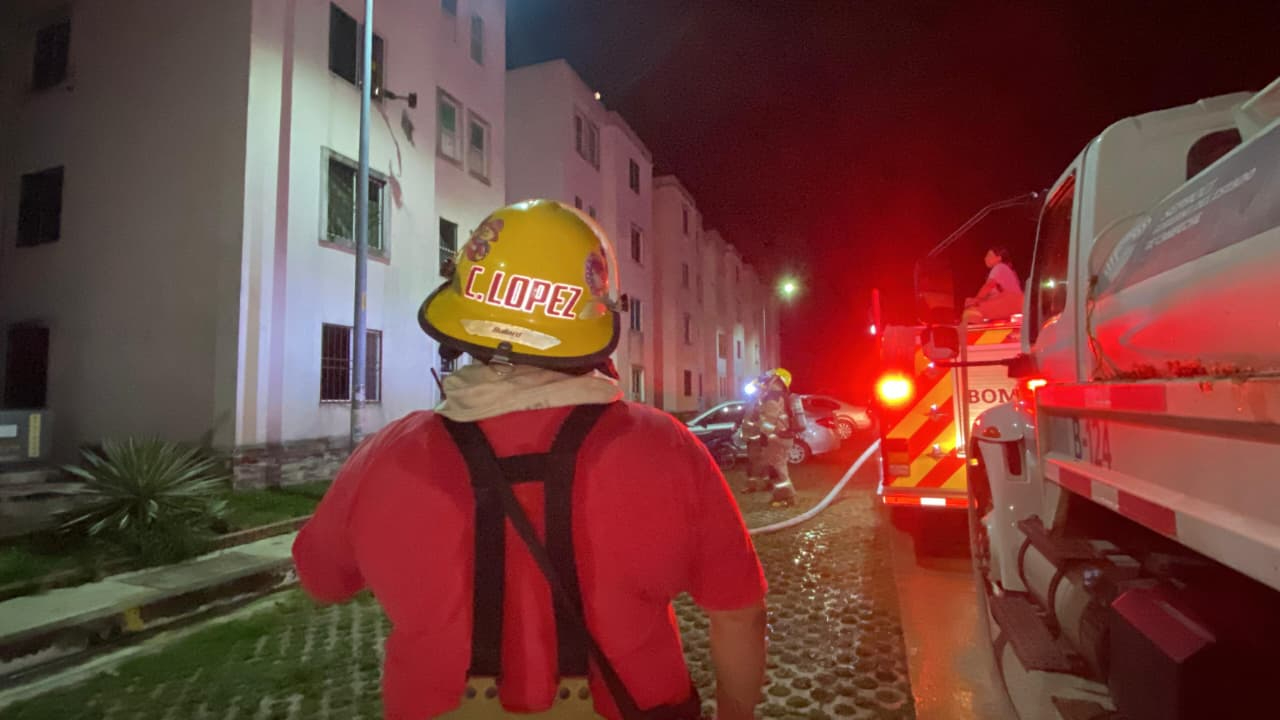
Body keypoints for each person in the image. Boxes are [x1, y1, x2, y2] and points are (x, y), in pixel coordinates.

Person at [292, 200, 768, 720]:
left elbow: (322, 578)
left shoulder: (385, 457)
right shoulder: (666, 446)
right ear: (594, 318)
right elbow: (739, 615)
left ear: (464, 317)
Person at [963, 246, 1024, 323]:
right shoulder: (1006, 269)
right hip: (1013, 304)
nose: (985, 258)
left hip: (1010, 302)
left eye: (989, 255)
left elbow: (988, 286)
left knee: (971, 312)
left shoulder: (999, 267)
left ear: (999, 258)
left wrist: (976, 300)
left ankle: (973, 333)